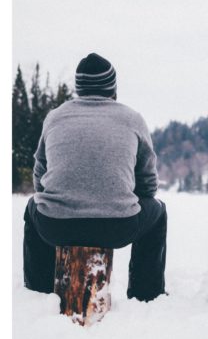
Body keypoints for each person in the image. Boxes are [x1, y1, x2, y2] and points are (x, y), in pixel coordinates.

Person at [23, 52, 167, 301]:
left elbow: (40, 175)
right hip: (117, 226)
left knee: (33, 207)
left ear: (78, 88)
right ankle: (146, 294)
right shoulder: (132, 118)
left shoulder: (55, 117)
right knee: (158, 211)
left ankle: (39, 293)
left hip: (56, 226)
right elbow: (148, 183)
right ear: (112, 87)